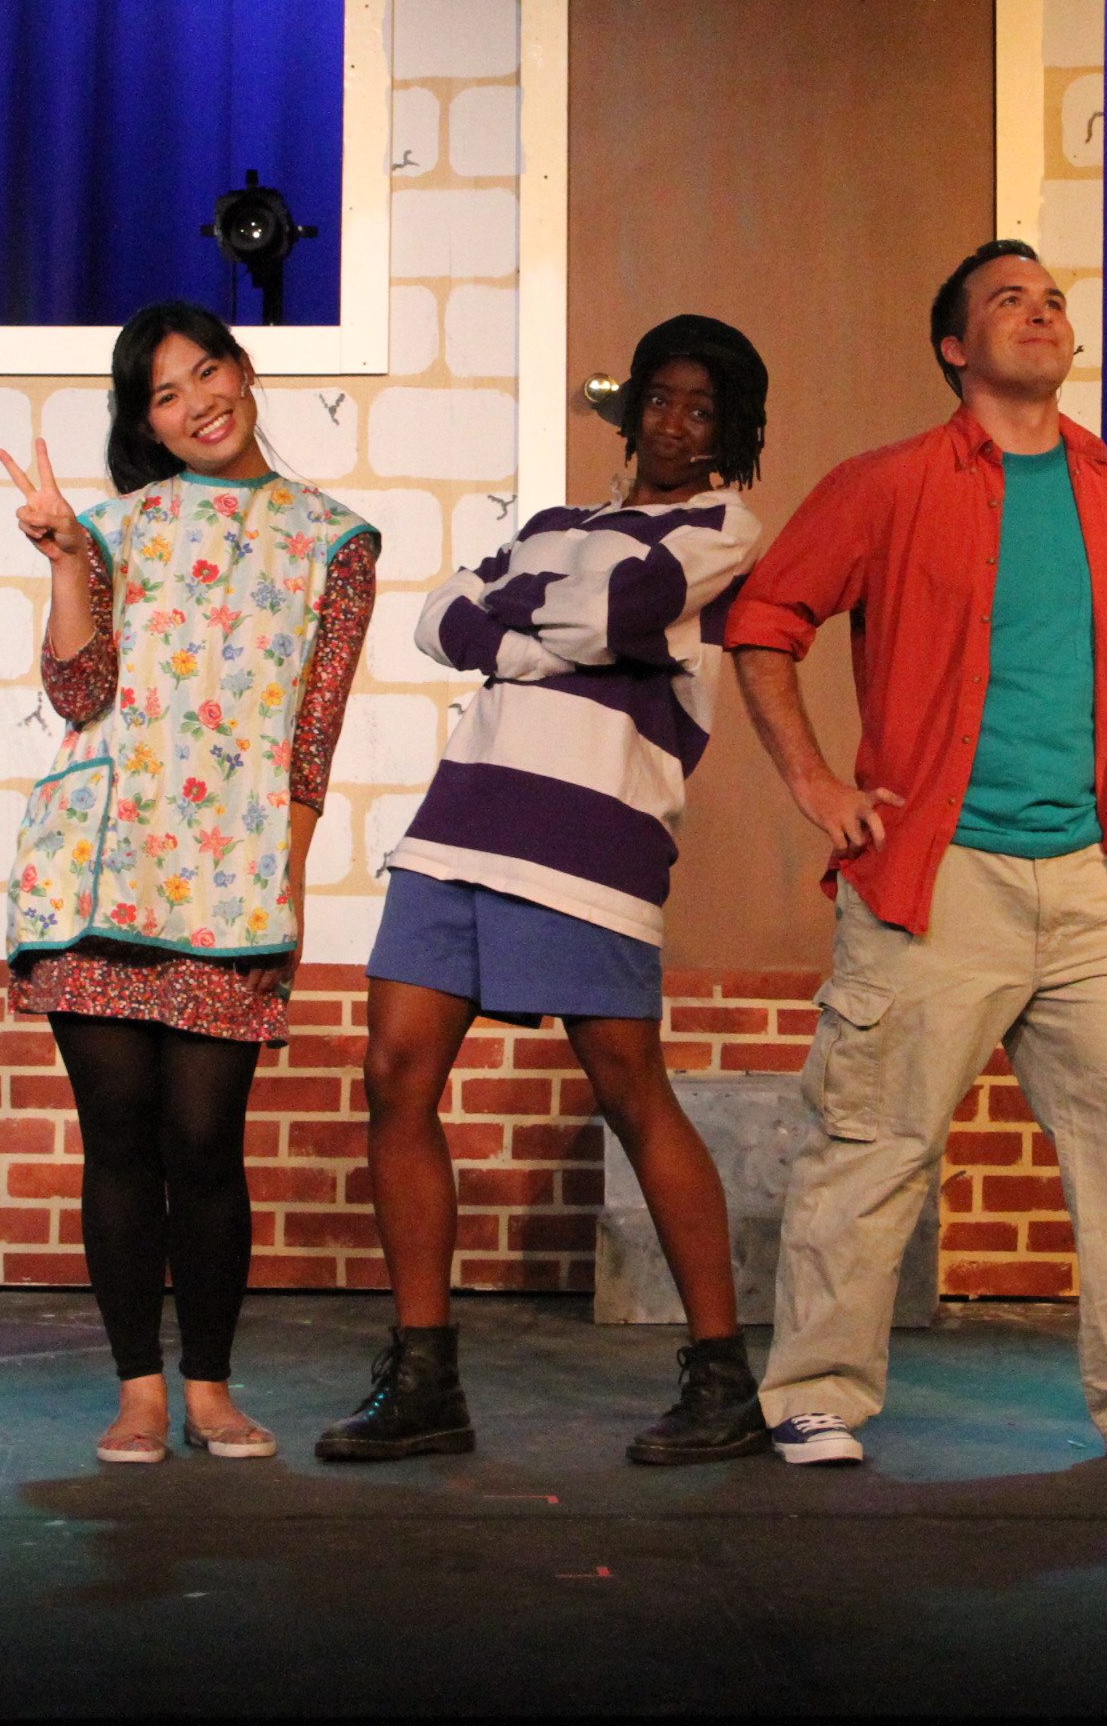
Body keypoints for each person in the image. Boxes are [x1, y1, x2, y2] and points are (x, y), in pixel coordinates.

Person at [725, 242, 1107, 1472]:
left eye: (1053, 300)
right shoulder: (889, 485)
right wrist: (815, 783)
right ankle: (814, 1395)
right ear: (954, 347)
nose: (1040, 313)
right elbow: (765, 621)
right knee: (872, 1144)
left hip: (1096, 888)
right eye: (1007, 301)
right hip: (938, 875)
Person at [320, 316, 774, 1468]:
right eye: (660, 398)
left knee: (631, 1090)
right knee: (394, 1073)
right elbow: (437, 617)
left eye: (703, 410)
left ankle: (723, 1379)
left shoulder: (724, 529)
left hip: (591, 835)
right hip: (462, 819)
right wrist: (541, 629)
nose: (675, 423)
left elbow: (616, 614)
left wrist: (515, 625)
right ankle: (425, 1379)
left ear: (732, 433)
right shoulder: (553, 525)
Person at [3, 302, 377, 1467]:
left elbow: (314, 736)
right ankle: (136, 1394)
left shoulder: (334, 540)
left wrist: (287, 876)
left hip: (233, 883)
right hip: (98, 870)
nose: (195, 403)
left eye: (206, 372)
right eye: (164, 394)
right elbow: (76, 693)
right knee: (118, 1141)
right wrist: (68, 558)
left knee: (207, 1143)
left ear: (244, 370)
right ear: (147, 423)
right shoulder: (112, 529)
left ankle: (209, 1387)